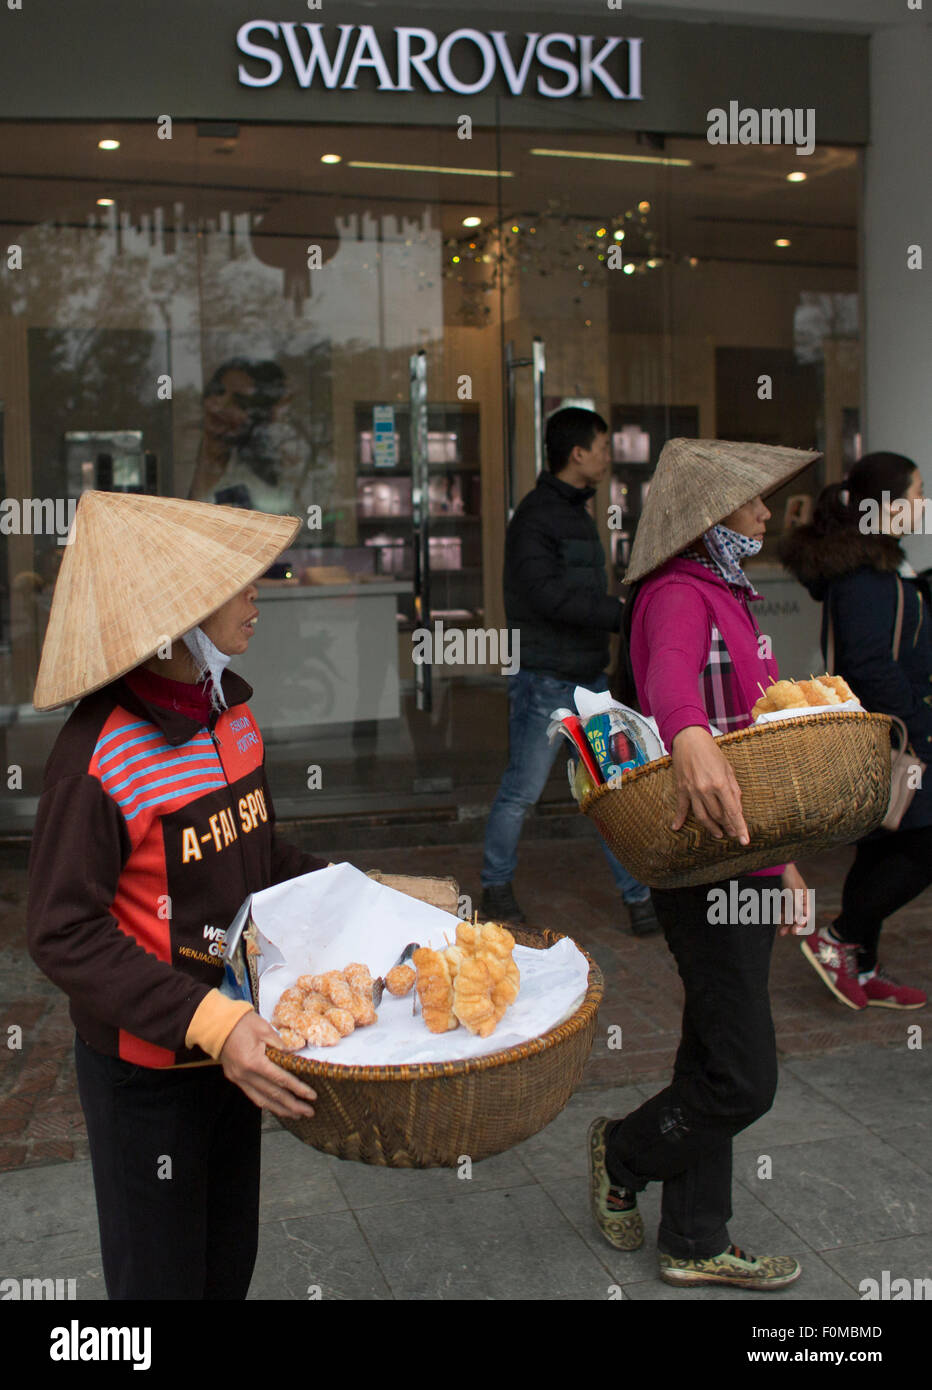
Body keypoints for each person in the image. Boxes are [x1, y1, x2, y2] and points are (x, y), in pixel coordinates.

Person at [27, 491, 324, 1300]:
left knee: (226, 1266)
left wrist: (357, 894)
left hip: (236, 1053)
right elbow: (63, 933)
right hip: (148, 1074)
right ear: (175, 615)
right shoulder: (98, 756)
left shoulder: (229, 714)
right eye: (235, 582)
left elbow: (257, 855)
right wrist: (211, 1022)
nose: (258, 591)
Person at [588, 437, 819, 1291]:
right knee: (744, 1077)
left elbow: (748, 743)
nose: (765, 513)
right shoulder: (676, 595)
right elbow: (671, 684)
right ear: (708, 518)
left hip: (749, 862)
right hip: (702, 870)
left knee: (710, 1053)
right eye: (752, 501)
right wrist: (685, 733)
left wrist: (785, 861)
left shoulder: (730, 592)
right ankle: (621, 1150)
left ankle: (694, 1237)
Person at [479, 407, 658, 934]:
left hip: (587, 676)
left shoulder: (575, 512)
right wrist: (622, 614)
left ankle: (639, 899)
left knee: (610, 789)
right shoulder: (538, 516)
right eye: (602, 446)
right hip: (545, 679)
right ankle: (494, 887)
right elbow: (546, 596)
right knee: (523, 791)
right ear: (577, 453)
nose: (607, 456)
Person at [779, 451, 930, 1009]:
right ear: (888, 506)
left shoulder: (882, 566)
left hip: (893, 735)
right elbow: (869, 666)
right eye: (917, 493)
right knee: (921, 845)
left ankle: (860, 964)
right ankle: (839, 938)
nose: (923, 504)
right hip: (891, 738)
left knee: (886, 848)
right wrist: (918, 727)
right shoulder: (865, 577)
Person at [187, 357, 298, 514]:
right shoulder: (175, 453)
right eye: (218, 391)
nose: (221, 405)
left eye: (239, 402)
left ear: (254, 418)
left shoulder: (262, 482)